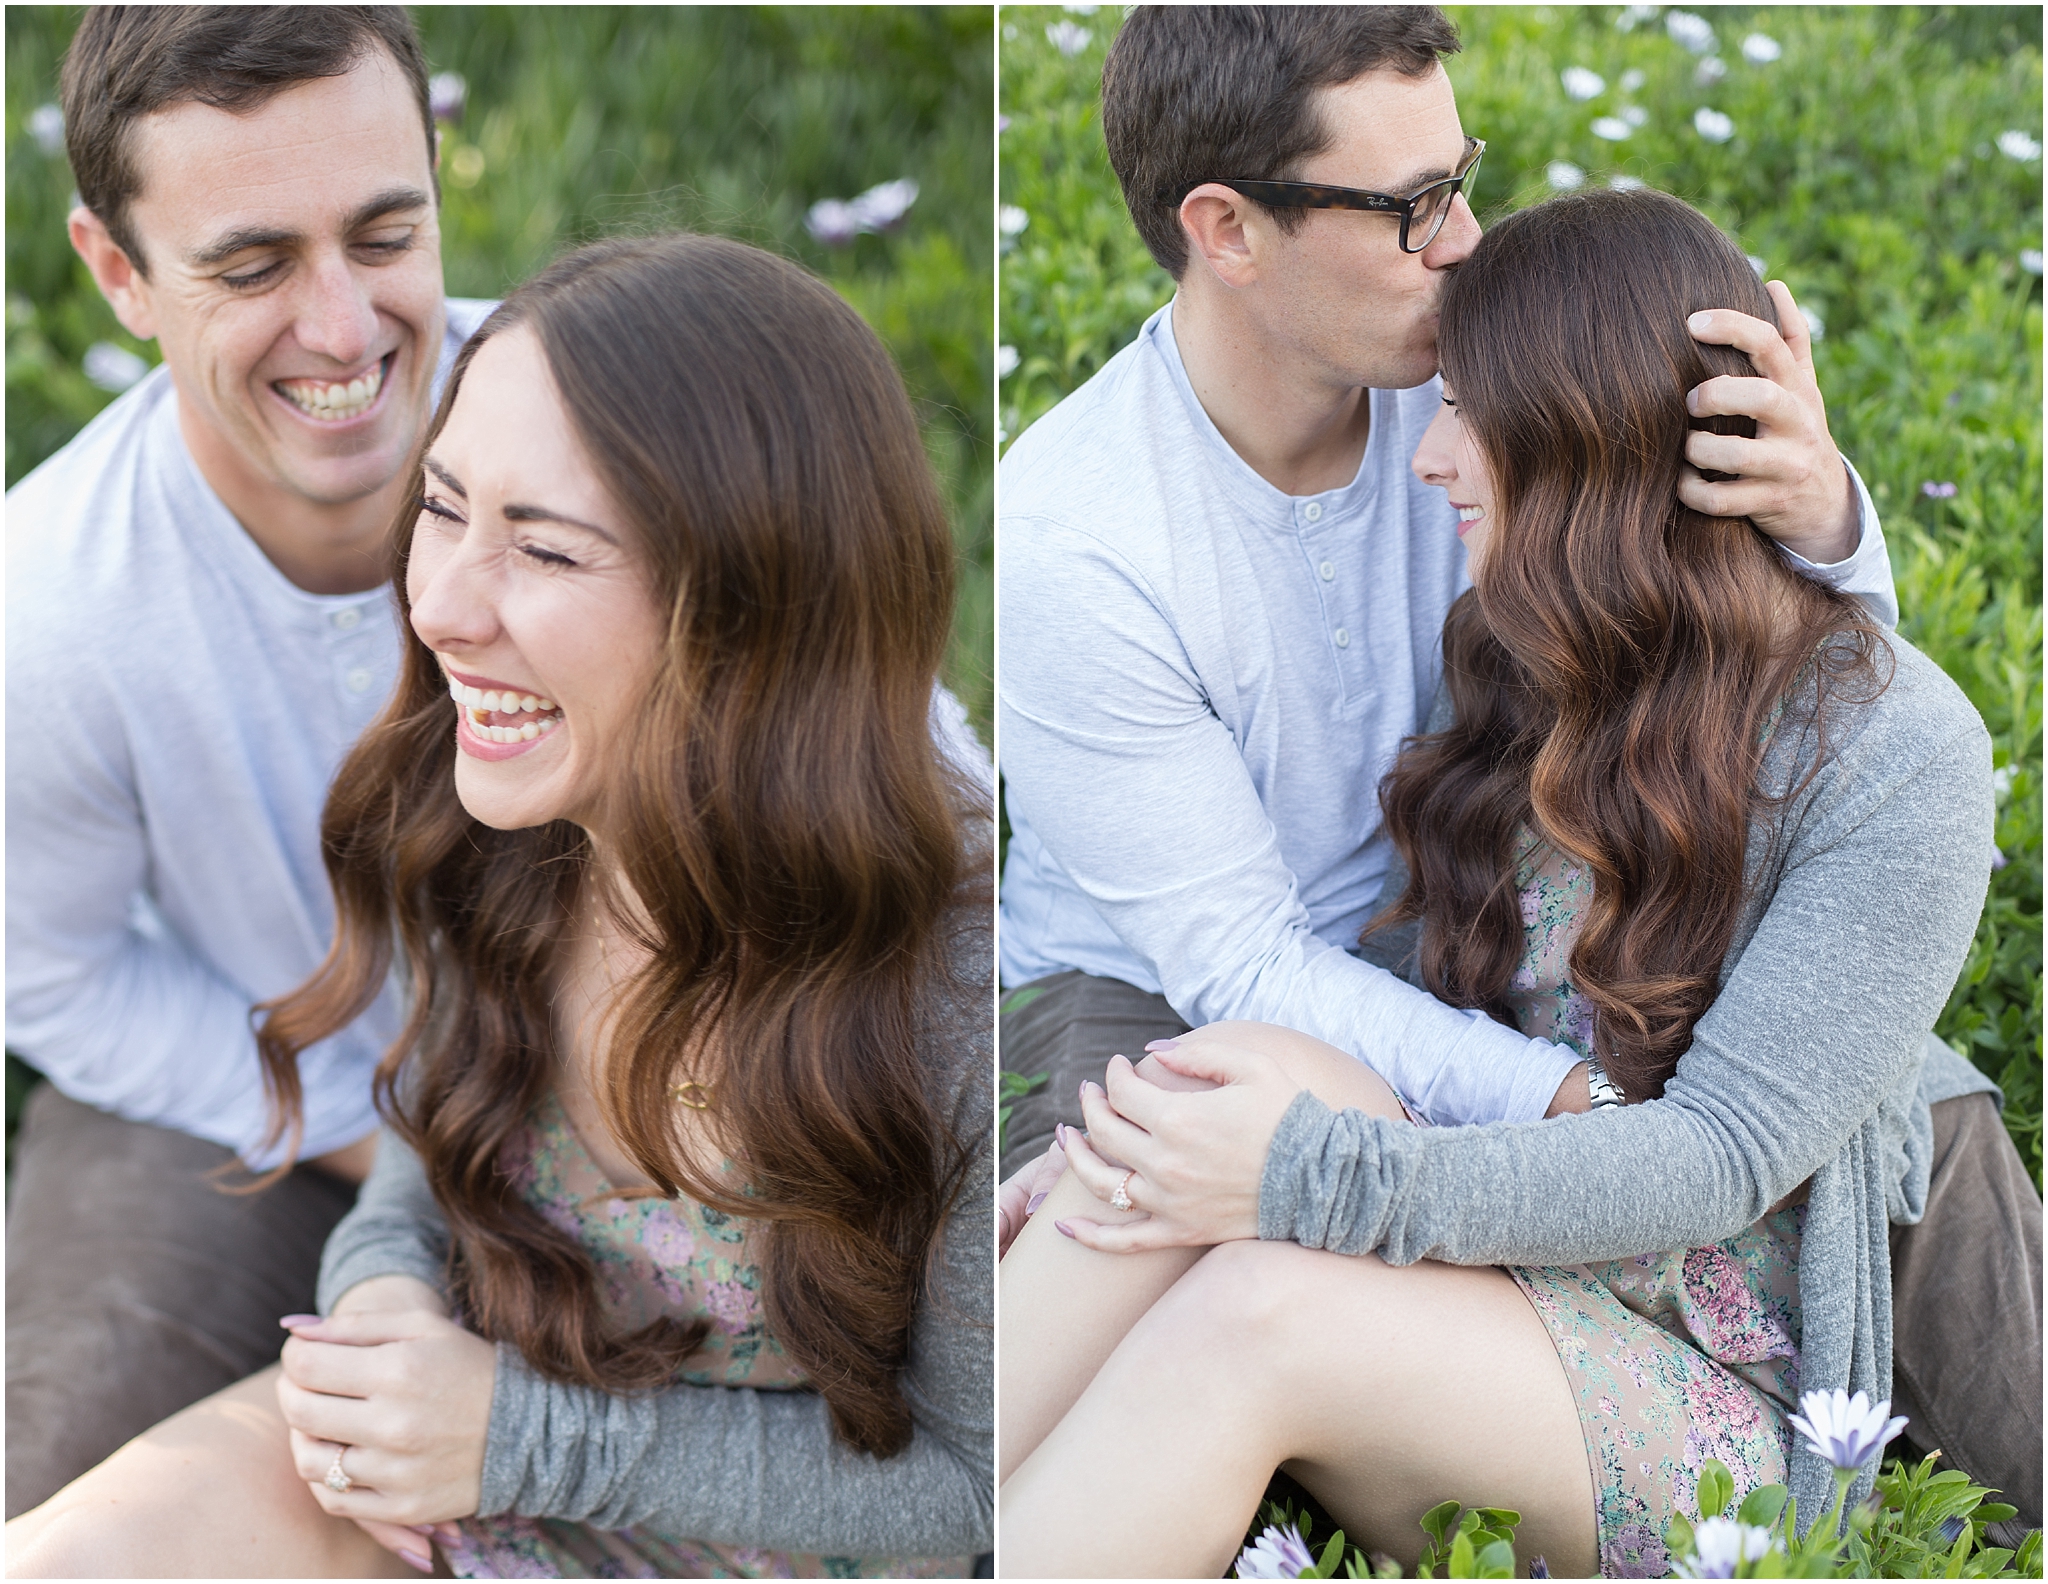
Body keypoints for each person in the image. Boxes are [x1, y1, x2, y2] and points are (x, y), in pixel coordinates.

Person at [995, 4, 2039, 1533]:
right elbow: (1240, 965)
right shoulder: (1090, 530)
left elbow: (1822, 742)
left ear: (1578, 448)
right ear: (1225, 229)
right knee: (1203, 1115)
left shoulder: (1457, 381)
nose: (1466, 241)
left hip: (1668, 1264)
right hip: (1205, 985)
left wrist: (1815, 518)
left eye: (1462, 177)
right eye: (1413, 208)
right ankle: (906, 1520)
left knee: (1254, 1287)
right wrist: (1147, 1154)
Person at [7, 234, 995, 1580]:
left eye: (542, 548)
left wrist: (517, 1440)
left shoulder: (948, 977)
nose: (442, 605)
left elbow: (974, 1483)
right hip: (459, 1478)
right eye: (445, 506)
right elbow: (410, 1196)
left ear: (754, 613)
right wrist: (384, 1323)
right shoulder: (503, 833)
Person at [5, 5, 493, 1515]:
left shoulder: (632, 443)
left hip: (658, 1091)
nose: (343, 330)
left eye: (382, 234)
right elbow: (54, 971)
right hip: (249, 1077)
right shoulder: (48, 613)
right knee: (69, 1466)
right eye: (252, 264)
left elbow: (892, 781)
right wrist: (348, 1123)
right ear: (117, 275)